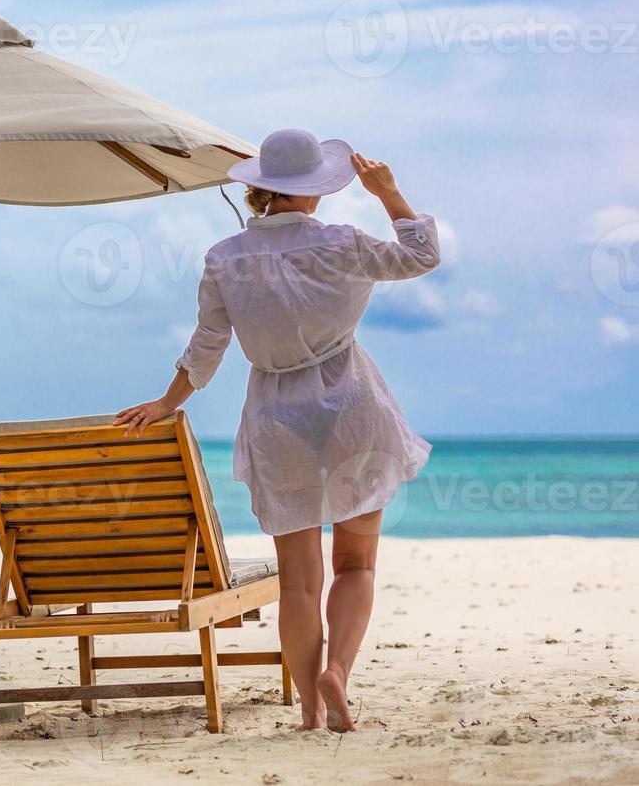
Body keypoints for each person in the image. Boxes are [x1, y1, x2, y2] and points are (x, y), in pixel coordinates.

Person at [114, 128, 441, 732]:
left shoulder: (225, 257)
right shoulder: (343, 243)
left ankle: (311, 713)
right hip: (352, 405)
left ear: (261, 191)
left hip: (276, 415)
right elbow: (420, 256)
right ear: (313, 192)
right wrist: (389, 193)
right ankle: (336, 673)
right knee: (356, 565)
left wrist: (166, 402)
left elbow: (208, 345)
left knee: (297, 580)